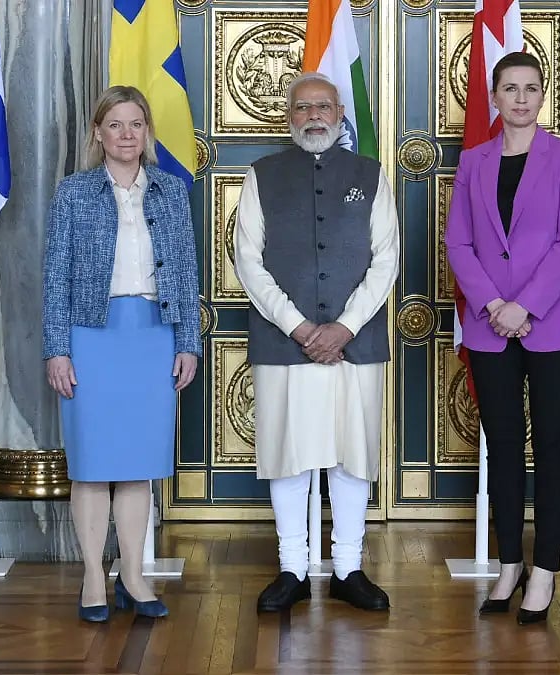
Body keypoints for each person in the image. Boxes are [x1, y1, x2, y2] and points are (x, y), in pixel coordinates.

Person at [234, 72, 399, 614]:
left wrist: (345, 327)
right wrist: (300, 327)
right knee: (289, 454)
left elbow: (386, 259)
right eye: (303, 107)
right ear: (290, 115)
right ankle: (293, 569)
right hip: (286, 344)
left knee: (352, 455)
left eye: (323, 106)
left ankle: (349, 567)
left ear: (339, 111)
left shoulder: (371, 175)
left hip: (357, 341)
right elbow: (248, 262)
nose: (313, 116)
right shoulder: (261, 175)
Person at [42, 85, 202, 622]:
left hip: (152, 334)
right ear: (98, 133)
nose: (127, 134)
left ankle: (133, 575)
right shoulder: (74, 192)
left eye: (136, 124)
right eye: (116, 124)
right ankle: (93, 575)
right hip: (92, 336)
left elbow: (185, 271)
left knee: (138, 465)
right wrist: (57, 349)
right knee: (91, 466)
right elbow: (55, 276)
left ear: (147, 132)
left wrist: (186, 342)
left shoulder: (171, 191)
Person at [444, 52, 560, 625]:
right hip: (489, 327)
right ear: (495, 96)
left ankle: (546, 569)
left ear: (542, 94)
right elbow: (459, 244)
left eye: (532, 87)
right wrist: (493, 306)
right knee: (502, 448)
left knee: (553, 446)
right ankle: (509, 564)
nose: (522, 98)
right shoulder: (476, 162)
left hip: (553, 324)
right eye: (511, 88)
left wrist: (523, 306)